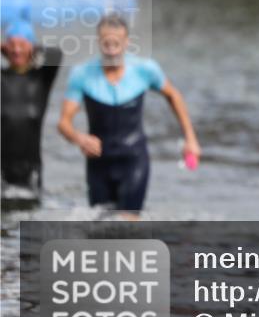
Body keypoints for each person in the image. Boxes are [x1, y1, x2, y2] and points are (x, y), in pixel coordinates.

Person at [57, 13, 200, 217]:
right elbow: (63, 123)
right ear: (98, 42)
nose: (112, 49)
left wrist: (191, 138)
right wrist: (79, 138)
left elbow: (173, 95)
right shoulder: (82, 74)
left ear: (127, 42)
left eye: (117, 43)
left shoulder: (145, 70)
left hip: (133, 159)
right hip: (98, 163)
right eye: (106, 43)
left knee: (127, 223)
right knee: (101, 226)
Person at [1, 20, 62, 206]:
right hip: (1, 173)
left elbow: (55, 54)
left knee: (28, 227)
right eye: (11, 44)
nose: (17, 50)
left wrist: (34, 47)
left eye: (22, 45)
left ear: (32, 47)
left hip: (31, 172)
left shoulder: (41, 78)